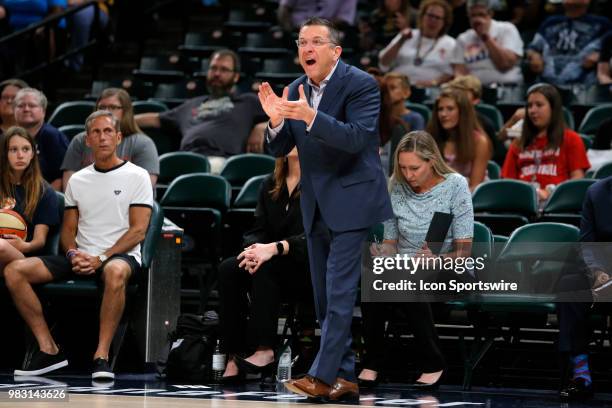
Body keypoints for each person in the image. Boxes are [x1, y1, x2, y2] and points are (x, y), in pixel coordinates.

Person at [258, 17, 393, 401]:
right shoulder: (297, 88)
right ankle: (346, 375)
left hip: (354, 200)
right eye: (301, 42)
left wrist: (310, 116)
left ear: (336, 51)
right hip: (315, 202)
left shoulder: (361, 84)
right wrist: (275, 120)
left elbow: (358, 139)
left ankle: (321, 373)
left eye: (316, 42)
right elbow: (279, 148)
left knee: (338, 292)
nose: (307, 49)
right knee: (322, 296)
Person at [4, 110, 153, 380]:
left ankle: (101, 356)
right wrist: (72, 253)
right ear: (87, 140)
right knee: (14, 271)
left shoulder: (138, 175)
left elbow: (138, 230)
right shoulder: (79, 180)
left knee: (115, 271)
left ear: (118, 137)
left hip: (119, 256)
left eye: (108, 131)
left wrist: (102, 257)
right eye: (95, 132)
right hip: (80, 256)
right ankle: (48, 349)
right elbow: (69, 230)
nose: (102, 137)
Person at [359, 130, 473, 389]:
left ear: (431, 161)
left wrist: (434, 261)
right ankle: (373, 361)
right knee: (375, 275)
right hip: (408, 267)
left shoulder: (456, 185)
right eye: (402, 167)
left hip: (448, 267)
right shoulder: (395, 184)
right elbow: (391, 241)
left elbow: (464, 253)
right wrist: (384, 252)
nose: (408, 175)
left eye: (415, 168)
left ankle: (433, 363)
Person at [218, 147, 312, 382]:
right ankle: (233, 355)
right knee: (230, 268)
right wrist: (252, 251)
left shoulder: (321, 182)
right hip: (272, 259)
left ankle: (265, 349)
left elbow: (317, 237)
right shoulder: (270, 182)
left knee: (266, 266)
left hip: (307, 266)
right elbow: (257, 229)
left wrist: (273, 249)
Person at [134, 49, 268, 174]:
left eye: (224, 70)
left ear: (236, 77)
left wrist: (261, 126)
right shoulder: (192, 104)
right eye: (213, 68)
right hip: (183, 159)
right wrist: (119, 120)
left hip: (220, 161)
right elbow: (156, 118)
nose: (217, 74)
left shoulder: (248, 103)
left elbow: (284, 116)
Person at [556, 175, 612, 401]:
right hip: (604, 268)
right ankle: (581, 373)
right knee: (569, 283)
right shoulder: (597, 192)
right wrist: (599, 273)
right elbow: (587, 243)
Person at [501, 83, 590, 202]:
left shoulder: (571, 139)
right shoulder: (518, 142)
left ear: (553, 108)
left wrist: (552, 193)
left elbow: (577, 180)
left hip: (558, 204)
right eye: (529, 106)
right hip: (522, 203)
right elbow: (507, 182)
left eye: (539, 105)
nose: (532, 110)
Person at [61, 88, 159, 189]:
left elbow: (145, 187)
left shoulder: (144, 144)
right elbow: (69, 185)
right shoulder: (80, 140)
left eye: (113, 107)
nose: (106, 112)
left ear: (125, 111)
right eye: (102, 107)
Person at [0, 126, 59, 275]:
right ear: (4, 154)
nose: (20, 155)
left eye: (25, 149)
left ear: (33, 153)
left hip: (27, 257)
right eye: (13, 150)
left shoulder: (44, 190)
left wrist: (23, 246)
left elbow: (39, 241)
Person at [526, 0, 611, 86]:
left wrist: (600, 56)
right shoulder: (550, 22)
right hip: (547, 84)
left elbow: (609, 47)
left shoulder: (602, 24)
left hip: (584, 85)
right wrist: (534, 56)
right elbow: (532, 48)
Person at [378, 0, 455, 87]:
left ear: (444, 22)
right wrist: (401, 40)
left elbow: (451, 73)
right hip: (396, 86)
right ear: (422, 16)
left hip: (428, 91)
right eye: (430, 15)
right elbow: (383, 63)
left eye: (437, 18)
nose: (433, 20)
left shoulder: (450, 43)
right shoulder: (407, 34)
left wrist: (433, 82)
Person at [426, 88, 491, 191]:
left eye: (450, 109)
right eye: (440, 109)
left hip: (468, 197)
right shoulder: (430, 139)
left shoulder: (480, 141)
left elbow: (475, 186)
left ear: (463, 112)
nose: (443, 114)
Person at [451, 0, 524, 85]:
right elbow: (460, 72)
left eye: (481, 15)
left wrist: (485, 37)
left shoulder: (507, 29)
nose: (477, 20)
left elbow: (505, 64)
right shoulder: (463, 38)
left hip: (507, 88)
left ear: (490, 14)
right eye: (473, 16)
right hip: (475, 90)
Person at [13, 88, 68, 191]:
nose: (26, 109)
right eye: (20, 106)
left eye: (32, 105)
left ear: (43, 111)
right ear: (14, 110)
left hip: (45, 198)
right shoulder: (7, 138)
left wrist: (40, 201)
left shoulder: (53, 136)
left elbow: (60, 178)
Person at [444, 74, 506, 165]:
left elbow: (497, 156)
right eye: (455, 93)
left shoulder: (484, 123)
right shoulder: (444, 121)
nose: (458, 98)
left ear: (476, 100)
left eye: (463, 94)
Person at [379, 72, 425, 175]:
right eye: (385, 89)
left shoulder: (415, 118)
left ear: (406, 92)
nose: (388, 93)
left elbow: (418, 149)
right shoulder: (379, 118)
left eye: (393, 88)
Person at [277, 0, 358, 32]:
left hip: (329, 32)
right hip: (296, 31)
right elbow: (284, 9)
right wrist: (289, 31)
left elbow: (343, 19)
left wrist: (317, 26)